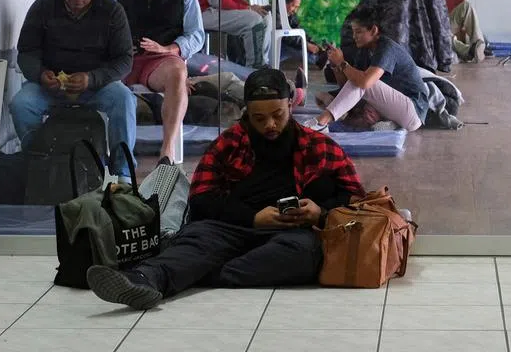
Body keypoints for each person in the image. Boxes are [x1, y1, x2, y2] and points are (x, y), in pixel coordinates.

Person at [85, 68, 364, 309]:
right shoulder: (228, 144)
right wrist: (253, 218)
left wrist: (320, 212)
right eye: (259, 118)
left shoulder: (320, 146)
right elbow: (202, 200)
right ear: (247, 113)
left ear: (291, 106)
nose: (269, 125)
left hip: (293, 232)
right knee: (197, 240)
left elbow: (357, 200)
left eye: (277, 115)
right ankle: (143, 279)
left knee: (304, 255)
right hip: (231, 228)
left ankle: (203, 273)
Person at [10, 0, 137, 181]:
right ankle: (38, 159)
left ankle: (124, 173)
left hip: (97, 86)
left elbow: (124, 60)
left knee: (124, 99)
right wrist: (40, 74)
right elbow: (26, 52)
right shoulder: (42, 8)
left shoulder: (112, 12)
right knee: (21, 104)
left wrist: (92, 78)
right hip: (50, 87)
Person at [112, 0, 205, 163]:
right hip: (126, 60)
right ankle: (114, 154)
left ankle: (167, 148)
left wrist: (169, 49)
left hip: (161, 62)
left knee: (177, 72)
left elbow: (196, 35)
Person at [312, 6, 427, 133]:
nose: (354, 36)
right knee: (322, 95)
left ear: (373, 30)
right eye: (353, 32)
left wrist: (342, 63)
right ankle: (390, 123)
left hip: (412, 111)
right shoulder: (364, 50)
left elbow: (364, 83)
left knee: (363, 82)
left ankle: (321, 122)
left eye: (358, 32)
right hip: (391, 107)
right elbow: (348, 86)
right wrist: (336, 65)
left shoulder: (387, 48)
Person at [280, 0, 325, 68]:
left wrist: (312, 43)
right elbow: (285, 37)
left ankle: (323, 53)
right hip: (278, 46)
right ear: (284, 2)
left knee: (302, 44)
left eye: (297, 7)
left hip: (287, 41)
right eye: (293, 6)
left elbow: (299, 30)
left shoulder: (290, 13)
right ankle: (319, 59)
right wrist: (306, 45)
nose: (295, 10)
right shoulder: (274, 13)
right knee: (294, 46)